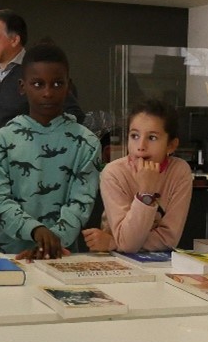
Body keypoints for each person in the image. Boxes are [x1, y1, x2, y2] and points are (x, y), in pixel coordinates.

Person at [0, 9, 83, 250]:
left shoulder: (34, 72)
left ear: (14, 40)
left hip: (20, 174)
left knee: (12, 237)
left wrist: (37, 143)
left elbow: (73, 113)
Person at [0, 42, 101, 259]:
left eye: (57, 84)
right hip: (7, 256)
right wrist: (36, 231)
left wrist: (52, 241)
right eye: (38, 84)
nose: (47, 93)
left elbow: (80, 203)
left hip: (60, 256)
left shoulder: (86, 143)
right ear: (22, 86)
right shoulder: (2, 140)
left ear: (68, 86)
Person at [82, 99, 192, 252]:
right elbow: (128, 243)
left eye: (152, 138)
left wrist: (114, 243)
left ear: (171, 145)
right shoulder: (113, 173)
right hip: (114, 262)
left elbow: (169, 239)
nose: (140, 147)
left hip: (158, 262)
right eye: (134, 136)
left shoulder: (180, 171)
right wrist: (146, 194)